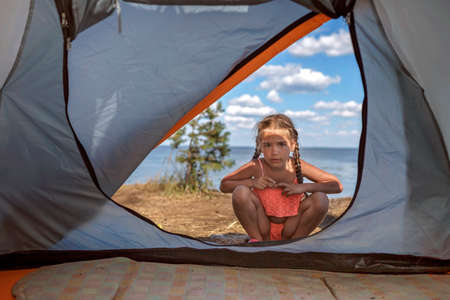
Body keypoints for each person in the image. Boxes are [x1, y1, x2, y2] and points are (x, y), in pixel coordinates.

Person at [220, 114, 342, 242]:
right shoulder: (256, 166)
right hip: (263, 228)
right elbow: (225, 185)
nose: (274, 151)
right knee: (241, 192)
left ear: (292, 144)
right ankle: (256, 241)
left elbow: (336, 185)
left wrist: (302, 187)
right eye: (267, 145)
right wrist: (252, 182)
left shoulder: (296, 165)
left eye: (281, 144)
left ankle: (296, 242)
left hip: (292, 228)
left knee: (320, 199)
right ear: (259, 145)